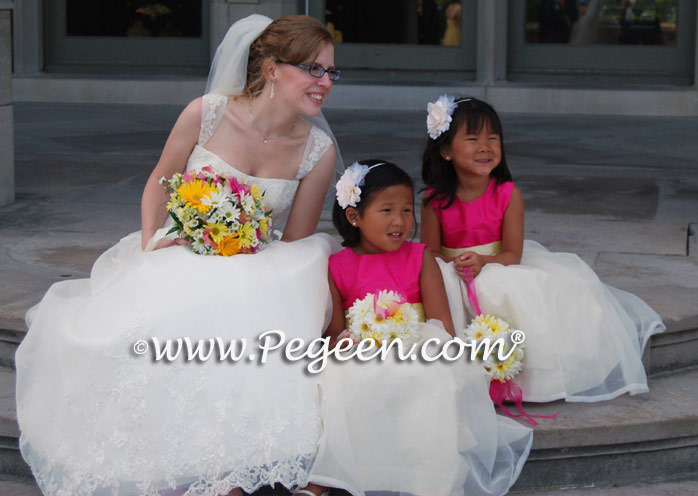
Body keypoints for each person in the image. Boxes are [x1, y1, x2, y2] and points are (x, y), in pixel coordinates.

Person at [15, 14, 347, 496]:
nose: (325, 84)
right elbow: (160, 179)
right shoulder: (207, 113)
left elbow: (296, 243)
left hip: (257, 262)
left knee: (250, 330)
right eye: (313, 70)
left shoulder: (317, 150)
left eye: (331, 73)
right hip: (180, 250)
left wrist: (252, 254)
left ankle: (234, 468)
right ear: (273, 69)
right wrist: (153, 240)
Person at [307, 160, 532, 496]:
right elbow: (335, 334)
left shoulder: (421, 257)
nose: (400, 221)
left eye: (406, 210)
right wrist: (345, 343)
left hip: (417, 344)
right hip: (361, 350)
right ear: (354, 216)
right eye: (386, 210)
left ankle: (423, 477)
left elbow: (443, 327)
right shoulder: (337, 266)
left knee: (422, 375)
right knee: (341, 380)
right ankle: (326, 477)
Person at [420, 95, 666, 403]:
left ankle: (521, 373)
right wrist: (453, 264)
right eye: (472, 139)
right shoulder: (435, 200)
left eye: (493, 139)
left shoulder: (508, 195)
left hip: (497, 266)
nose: (485, 147)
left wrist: (483, 260)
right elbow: (428, 254)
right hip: (452, 272)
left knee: (519, 294)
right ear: (445, 150)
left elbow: (512, 255)